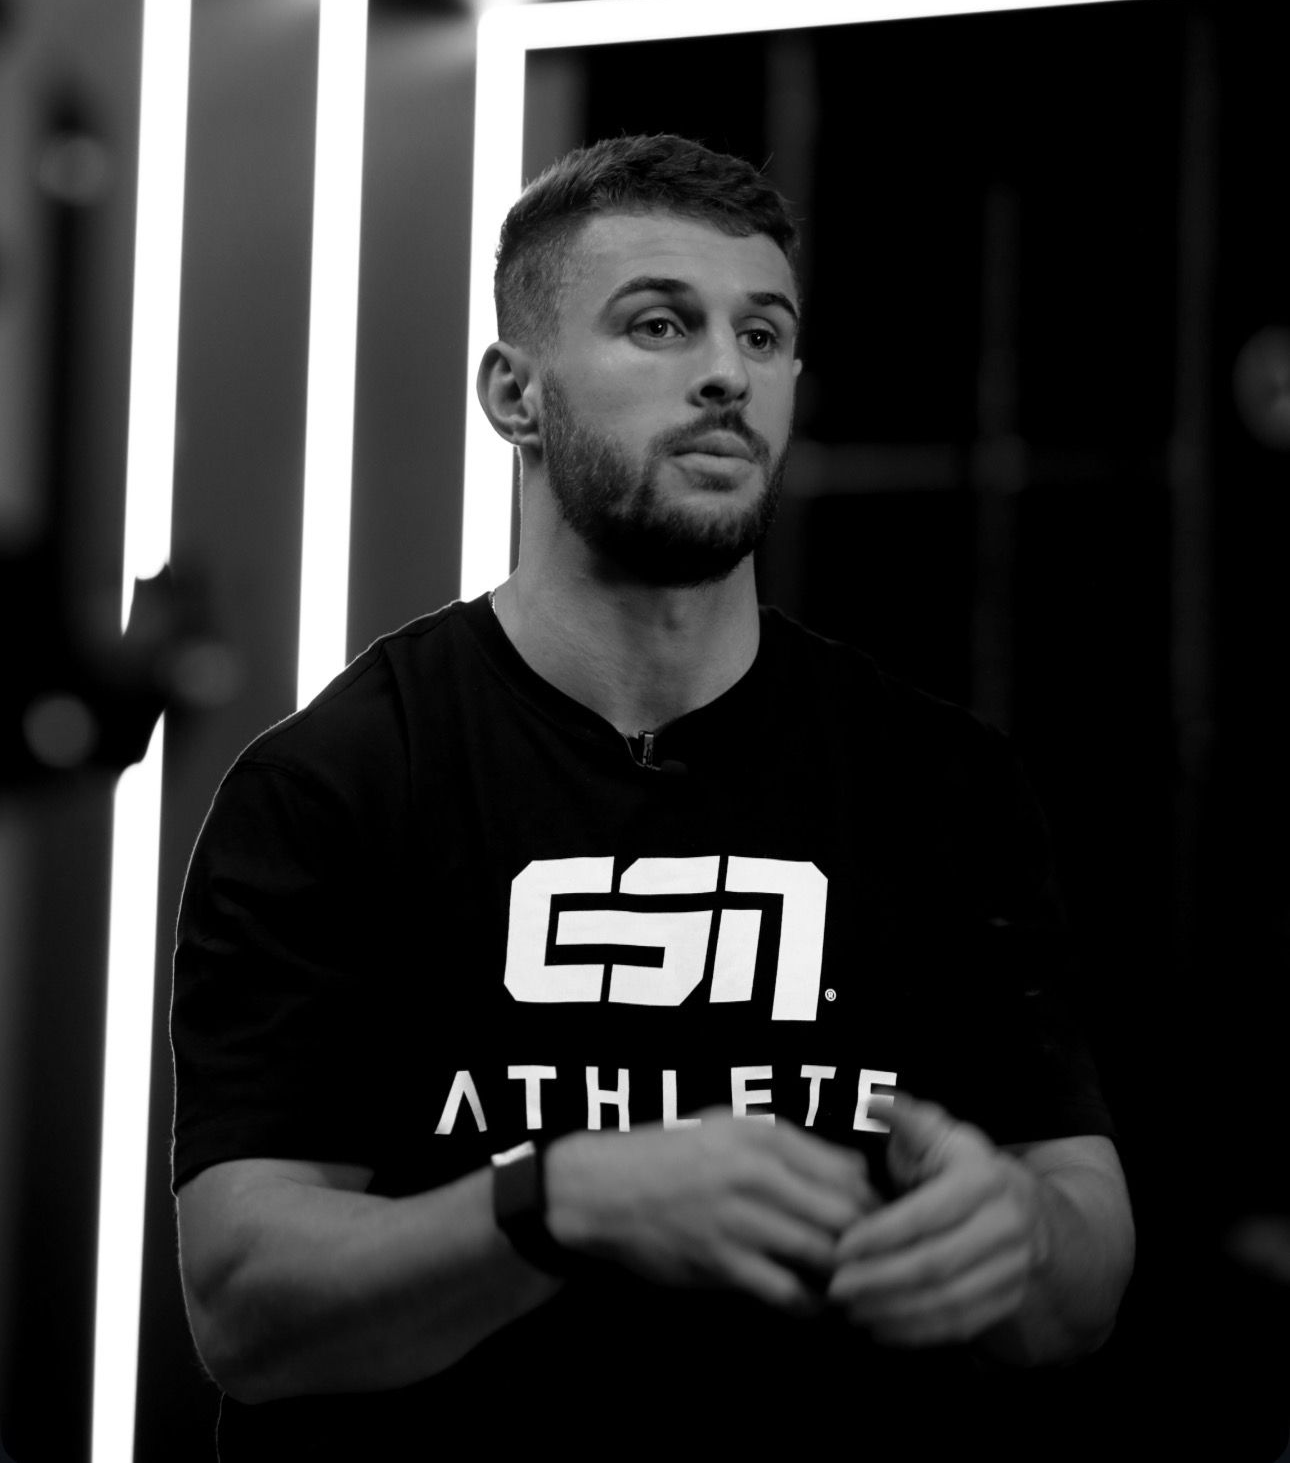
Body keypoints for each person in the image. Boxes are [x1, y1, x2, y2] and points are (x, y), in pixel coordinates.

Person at [170, 133, 1135, 1460]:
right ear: (514, 395)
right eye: (660, 325)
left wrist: (1019, 1238)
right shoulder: (333, 786)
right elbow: (242, 1308)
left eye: (762, 334)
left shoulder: (941, 779)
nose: (727, 372)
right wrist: (555, 1203)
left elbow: (1084, 1266)